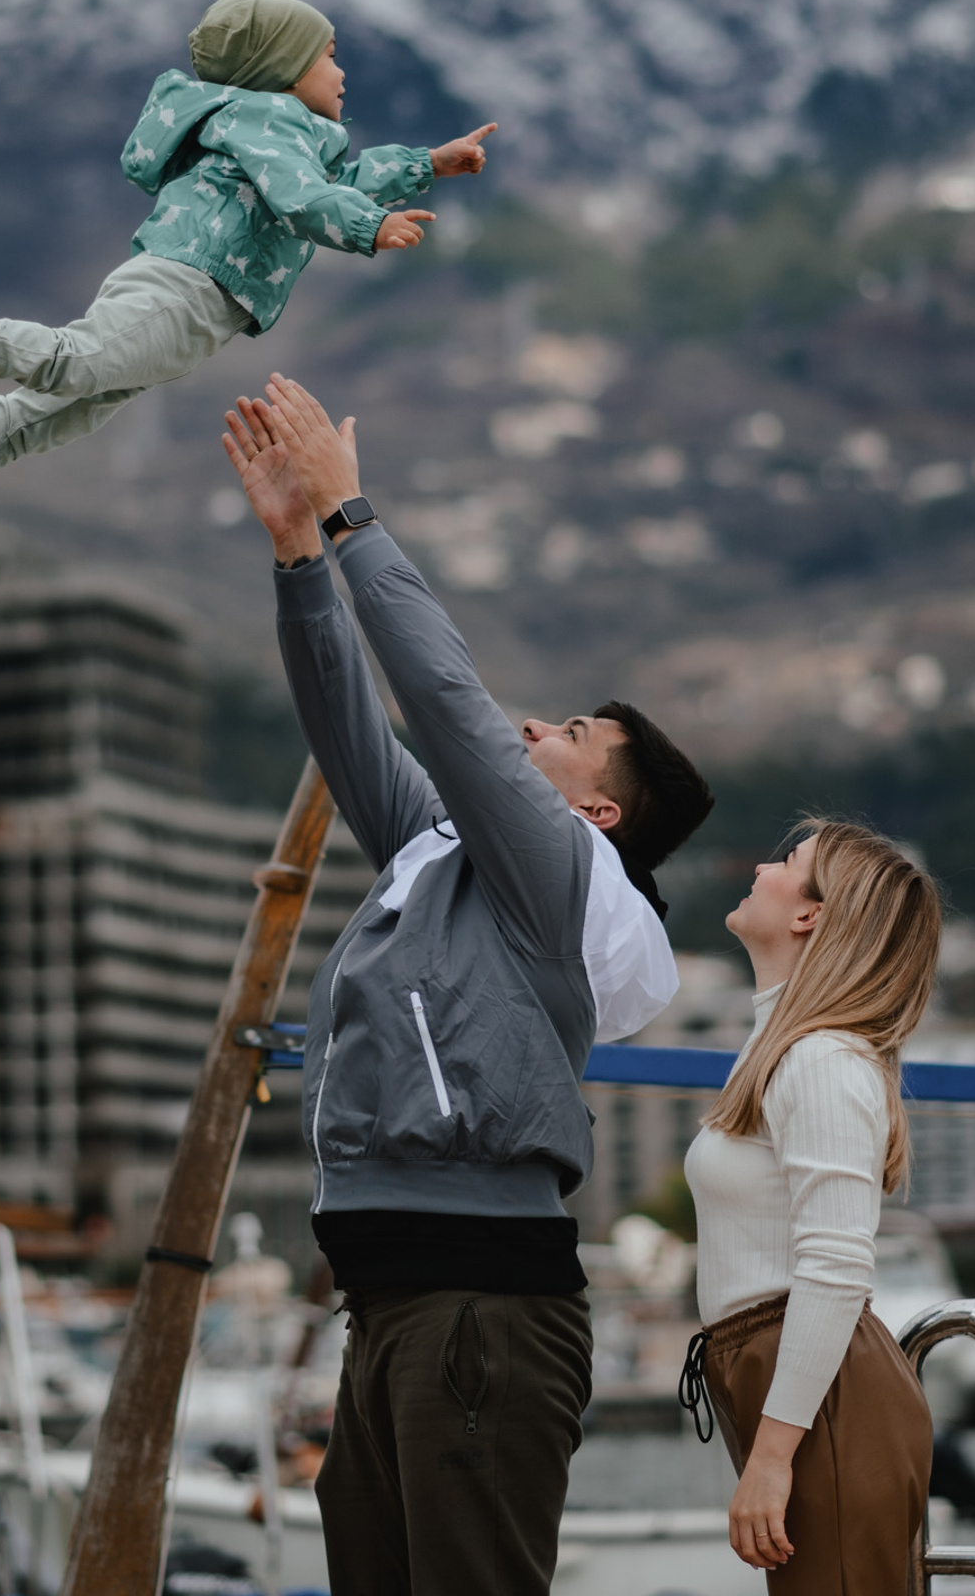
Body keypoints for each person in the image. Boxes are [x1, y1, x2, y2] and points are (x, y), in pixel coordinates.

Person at [222, 374, 714, 1596]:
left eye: (564, 736)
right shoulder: (450, 851)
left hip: (481, 1316)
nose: (531, 726)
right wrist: (295, 556)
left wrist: (352, 518)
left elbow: (446, 706)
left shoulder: (558, 872)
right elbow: (354, 733)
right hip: (390, 1309)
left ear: (597, 811)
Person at [0, 0, 496, 563]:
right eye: (328, 55)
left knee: (71, 406)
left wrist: (426, 164)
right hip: (188, 287)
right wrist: (366, 228)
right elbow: (303, 198)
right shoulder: (271, 119)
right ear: (283, 69)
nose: (342, 71)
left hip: (198, 304)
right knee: (78, 364)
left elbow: (333, 181)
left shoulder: (285, 134)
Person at [680, 820, 941, 1591]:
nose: (761, 866)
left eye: (787, 861)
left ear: (811, 915)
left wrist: (770, 1456)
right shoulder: (785, 1047)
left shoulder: (822, 1059)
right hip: (786, 1384)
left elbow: (834, 1267)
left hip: (819, 1397)